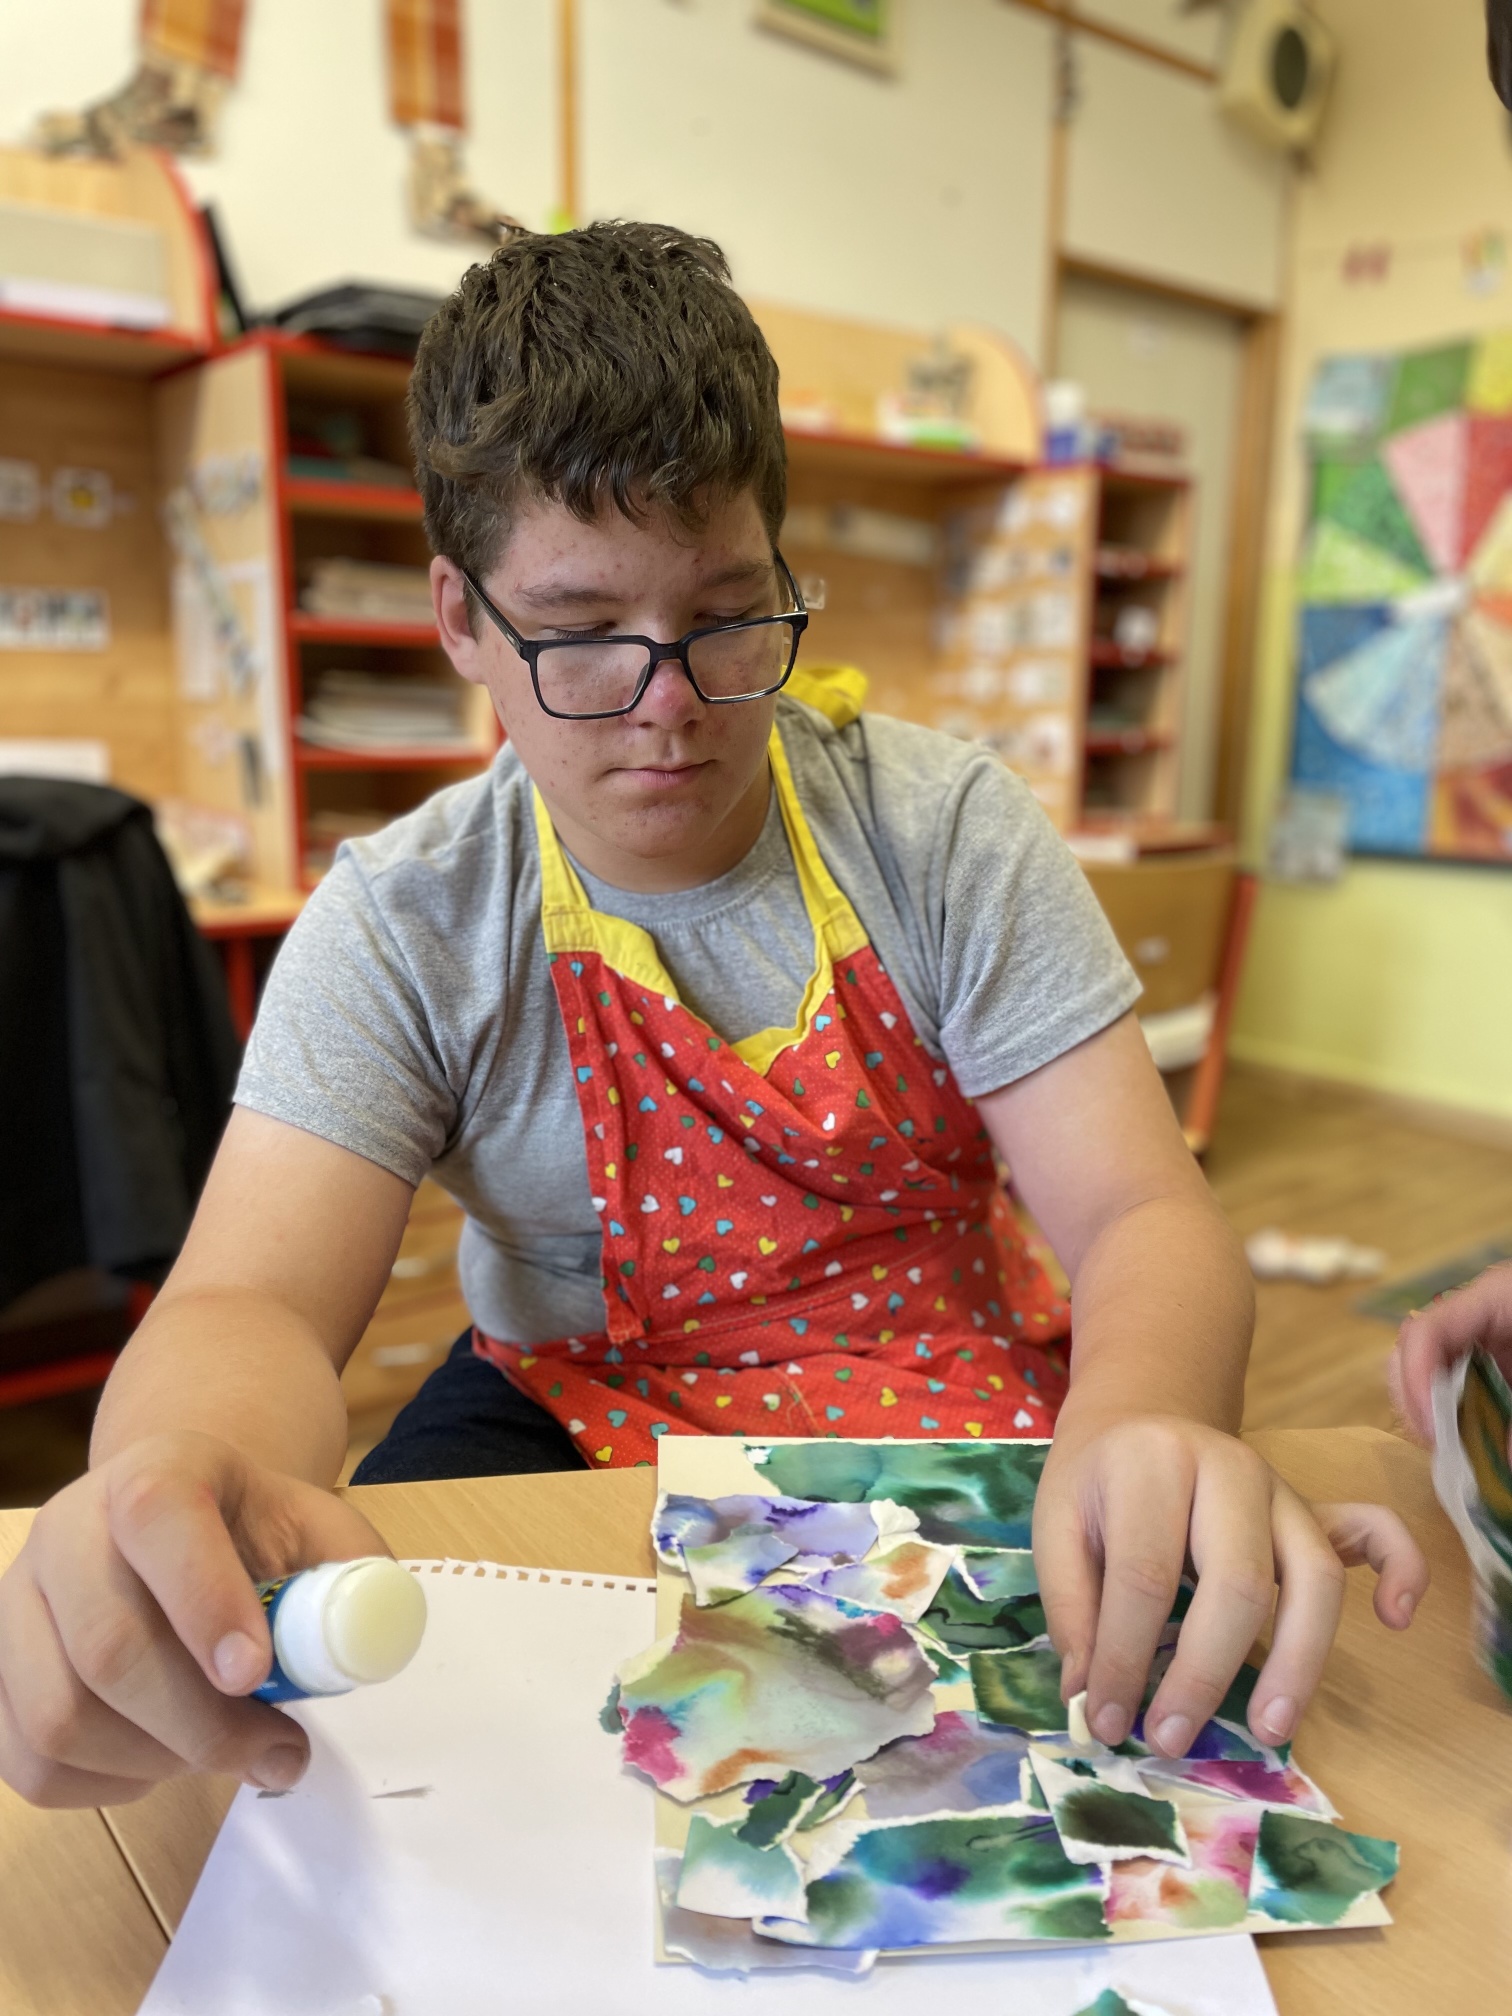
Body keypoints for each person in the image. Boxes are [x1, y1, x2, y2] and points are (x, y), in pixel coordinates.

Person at [0, 222, 1426, 1812]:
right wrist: (174, 1476)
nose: (669, 702)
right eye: (580, 631)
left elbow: (1144, 1212)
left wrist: (1149, 1412)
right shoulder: (407, 919)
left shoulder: (941, 831)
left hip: (941, 1368)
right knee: (423, 1762)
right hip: (580, 1399)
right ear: (462, 621)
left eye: (729, 616)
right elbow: (251, 1304)